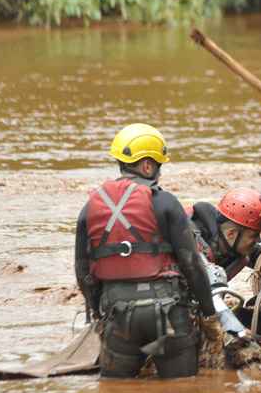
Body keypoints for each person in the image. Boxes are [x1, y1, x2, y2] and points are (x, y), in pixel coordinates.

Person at [74, 123, 214, 379]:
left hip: (118, 315)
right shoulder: (165, 202)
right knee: (182, 392)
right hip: (169, 314)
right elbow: (192, 264)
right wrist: (209, 314)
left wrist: (98, 312)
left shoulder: (90, 207)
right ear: (148, 165)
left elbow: (83, 272)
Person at [186, 187, 261, 281]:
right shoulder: (187, 244)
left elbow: (258, 256)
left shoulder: (234, 244)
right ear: (231, 234)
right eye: (254, 236)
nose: (259, 240)